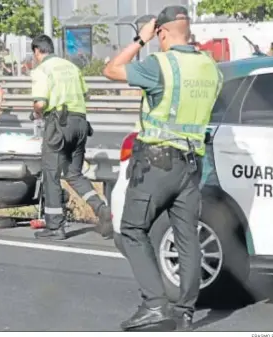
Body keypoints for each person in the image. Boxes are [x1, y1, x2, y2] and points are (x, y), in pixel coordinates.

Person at [102, 6, 222, 332]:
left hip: (158, 164)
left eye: (157, 35)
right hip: (194, 166)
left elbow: (111, 69)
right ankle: (184, 312)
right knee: (188, 241)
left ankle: (154, 305)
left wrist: (140, 40)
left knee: (132, 228)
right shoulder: (211, 68)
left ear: (162, 33)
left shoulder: (160, 65)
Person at [29, 34, 113, 241]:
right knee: (73, 173)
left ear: (37, 51)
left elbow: (40, 103)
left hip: (59, 125)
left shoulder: (42, 70)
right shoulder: (71, 67)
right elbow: (86, 95)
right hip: (81, 123)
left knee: (51, 173)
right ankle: (102, 210)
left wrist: (37, 113)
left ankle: (55, 226)